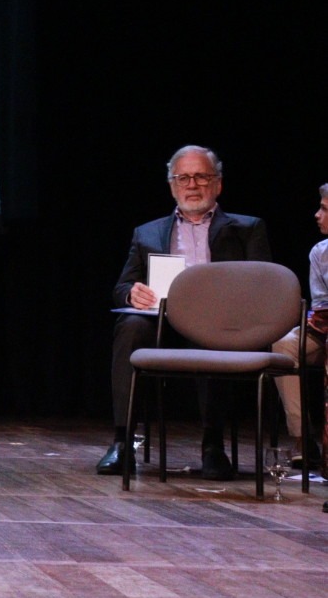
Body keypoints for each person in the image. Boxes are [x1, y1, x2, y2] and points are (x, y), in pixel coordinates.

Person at [96, 145, 271, 480]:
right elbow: (121, 286)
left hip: (219, 322)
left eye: (201, 176)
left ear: (217, 184)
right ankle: (123, 441)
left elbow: (264, 282)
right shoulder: (147, 233)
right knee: (130, 326)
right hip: (162, 321)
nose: (193, 185)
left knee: (215, 337)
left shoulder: (247, 228)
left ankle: (213, 447)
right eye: (184, 178)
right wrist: (132, 292)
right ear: (172, 185)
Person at [270, 183, 328, 469]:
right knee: (284, 345)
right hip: (325, 335)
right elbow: (321, 305)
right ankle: (303, 439)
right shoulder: (319, 252)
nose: (317, 215)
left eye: (325, 209)